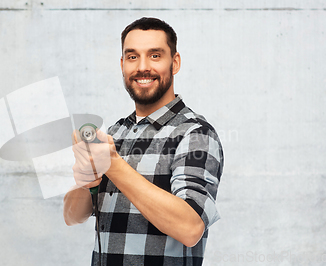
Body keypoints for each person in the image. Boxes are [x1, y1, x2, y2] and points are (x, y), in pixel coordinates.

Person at [63, 17, 224, 266]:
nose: (142, 67)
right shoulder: (115, 133)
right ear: (122, 64)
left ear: (175, 62)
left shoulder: (195, 133)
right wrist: (85, 181)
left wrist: (113, 165)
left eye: (155, 55)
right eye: (132, 56)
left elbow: (190, 228)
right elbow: (72, 217)